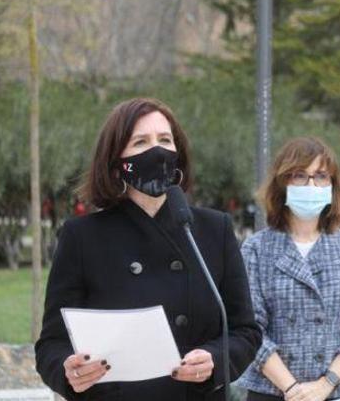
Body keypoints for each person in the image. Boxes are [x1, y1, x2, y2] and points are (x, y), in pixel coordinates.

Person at [35, 97, 261, 400]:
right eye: (140, 142)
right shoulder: (81, 237)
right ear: (116, 163)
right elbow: (51, 344)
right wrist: (69, 371)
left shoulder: (214, 229)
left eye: (165, 140)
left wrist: (215, 360)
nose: (157, 151)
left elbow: (245, 331)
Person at [238, 137, 340, 401]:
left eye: (321, 176)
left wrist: (326, 384)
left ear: (333, 185)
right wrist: (293, 390)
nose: (312, 185)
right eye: (300, 176)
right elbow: (250, 328)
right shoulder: (256, 248)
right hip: (271, 390)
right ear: (283, 183)